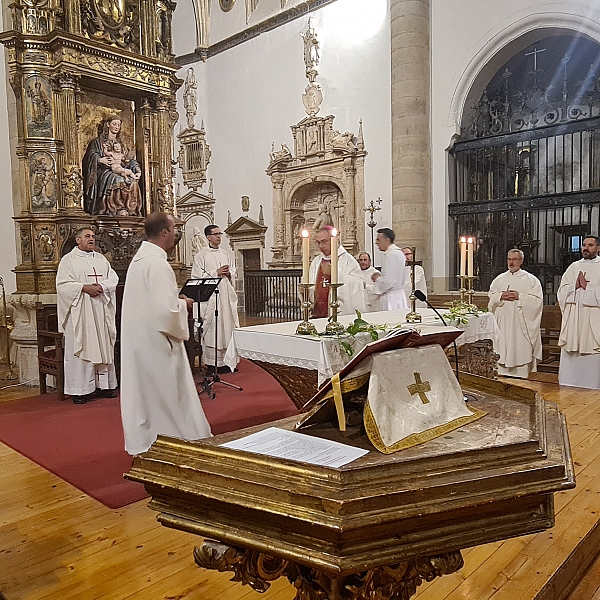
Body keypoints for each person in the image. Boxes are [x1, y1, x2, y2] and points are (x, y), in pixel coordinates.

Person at [120, 212, 211, 455]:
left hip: (141, 339)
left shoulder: (140, 261)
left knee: (148, 395)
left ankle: (149, 436)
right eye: (175, 229)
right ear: (164, 233)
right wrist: (183, 305)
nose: (177, 234)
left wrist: (175, 302)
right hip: (158, 341)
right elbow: (166, 311)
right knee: (169, 392)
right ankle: (178, 436)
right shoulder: (157, 265)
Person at [56, 227, 119, 404]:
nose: (92, 239)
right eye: (87, 236)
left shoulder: (101, 259)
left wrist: (102, 287)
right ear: (78, 240)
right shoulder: (68, 261)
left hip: (100, 309)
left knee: (103, 344)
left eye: (93, 236)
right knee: (82, 345)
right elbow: (62, 285)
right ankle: (81, 389)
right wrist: (83, 287)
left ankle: (105, 386)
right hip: (80, 311)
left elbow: (112, 278)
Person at [191, 224, 239, 374]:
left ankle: (228, 361)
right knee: (213, 329)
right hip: (211, 298)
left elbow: (233, 269)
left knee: (227, 327)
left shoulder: (225, 254)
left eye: (220, 234)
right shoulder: (201, 255)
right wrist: (215, 272)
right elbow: (196, 277)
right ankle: (212, 364)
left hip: (225, 296)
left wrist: (230, 273)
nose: (219, 236)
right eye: (216, 234)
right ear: (208, 237)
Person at [488, 249, 543, 378]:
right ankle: (500, 369)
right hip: (503, 320)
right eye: (509, 259)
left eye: (514, 259)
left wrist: (520, 297)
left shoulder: (531, 280)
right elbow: (491, 295)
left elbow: (537, 301)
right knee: (501, 343)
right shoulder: (499, 279)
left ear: (521, 261)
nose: (511, 263)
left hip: (520, 322)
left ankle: (521, 371)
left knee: (519, 344)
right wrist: (501, 296)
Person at [557, 235, 600, 389]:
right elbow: (561, 292)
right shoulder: (574, 267)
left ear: (598, 248)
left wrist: (588, 288)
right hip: (574, 319)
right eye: (583, 245)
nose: (585, 248)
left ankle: (593, 384)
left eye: (590, 245)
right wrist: (573, 287)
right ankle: (568, 381)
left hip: (593, 320)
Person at [82, 115, 142, 217]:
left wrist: (137, 170)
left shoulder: (122, 145)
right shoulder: (97, 142)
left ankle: (129, 208)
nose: (117, 127)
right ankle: (115, 208)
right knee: (117, 179)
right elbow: (91, 156)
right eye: (114, 124)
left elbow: (129, 160)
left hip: (121, 169)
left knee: (133, 181)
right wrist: (100, 160)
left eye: (119, 125)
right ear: (108, 124)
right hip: (104, 171)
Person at [309, 226, 365, 318]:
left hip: (338, 313)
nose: (321, 246)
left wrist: (335, 274)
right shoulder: (317, 261)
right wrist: (305, 292)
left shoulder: (348, 260)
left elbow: (358, 283)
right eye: (318, 242)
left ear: (334, 239)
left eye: (324, 242)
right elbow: (312, 286)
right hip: (317, 312)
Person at [371, 228, 408, 310]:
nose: (376, 243)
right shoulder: (399, 253)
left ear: (387, 240)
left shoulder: (391, 255)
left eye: (378, 240)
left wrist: (377, 279)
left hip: (392, 298)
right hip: (398, 295)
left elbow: (389, 281)